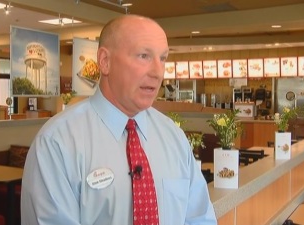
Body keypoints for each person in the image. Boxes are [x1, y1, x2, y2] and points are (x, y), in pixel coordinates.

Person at [21, 14, 217, 225]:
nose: (157, 72)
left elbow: (200, 219)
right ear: (105, 61)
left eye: (163, 58)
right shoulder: (57, 143)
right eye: (143, 56)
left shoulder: (174, 138)